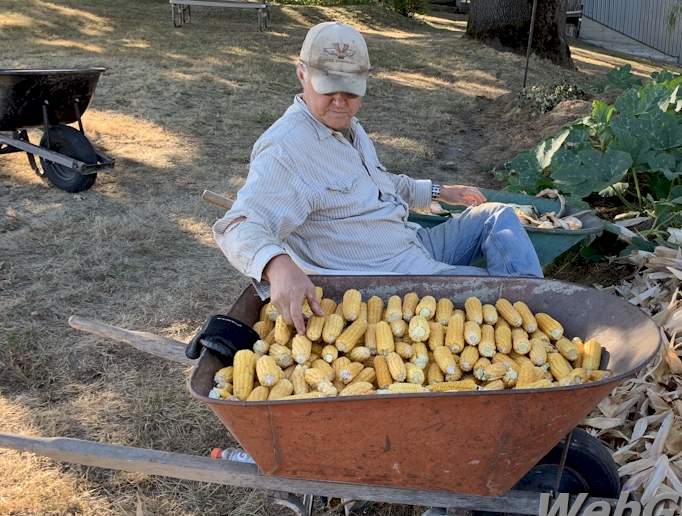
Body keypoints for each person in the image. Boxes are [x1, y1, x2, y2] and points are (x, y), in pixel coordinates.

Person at [213, 21, 542, 335]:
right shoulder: (286, 150)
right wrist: (278, 264)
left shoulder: (347, 127)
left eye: (351, 91)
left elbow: (379, 182)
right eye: (329, 88)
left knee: (498, 215)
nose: (340, 102)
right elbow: (238, 225)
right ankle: (533, 312)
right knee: (502, 295)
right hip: (396, 276)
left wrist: (441, 191)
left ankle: (534, 303)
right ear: (302, 73)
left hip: (412, 241)